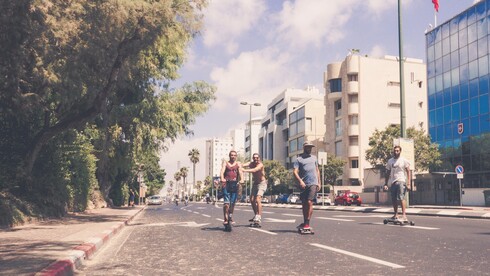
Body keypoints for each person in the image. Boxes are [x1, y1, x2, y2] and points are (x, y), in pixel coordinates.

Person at [293, 141, 321, 231]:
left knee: (309, 202)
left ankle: (307, 223)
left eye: (310, 147)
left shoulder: (314, 158)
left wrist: (319, 182)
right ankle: (305, 222)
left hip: (313, 183)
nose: (309, 149)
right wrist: (300, 181)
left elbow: (317, 170)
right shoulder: (299, 159)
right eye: (308, 147)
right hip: (304, 184)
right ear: (304, 148)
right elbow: (295, 172)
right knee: (304, 204)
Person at [384, 145, 411, 221]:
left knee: (401, 198)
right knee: (394, 199)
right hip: (393, 182)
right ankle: (396, 214)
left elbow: (408, 171)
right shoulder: (390, 161)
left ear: (400, 151)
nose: (396, 152)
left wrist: (408, 183)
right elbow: (387, 172)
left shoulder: (403, 160)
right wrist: (385, 183)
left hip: (401, 181)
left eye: (397, 151)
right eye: (395, 150)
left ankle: (404, 215)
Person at [220, 150, 244, 225]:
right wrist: (222, 178)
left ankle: (230, 216)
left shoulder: (238, 164)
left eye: (234, 155)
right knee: (226, 203)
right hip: (226, 184)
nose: (233, 156)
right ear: (229, 156)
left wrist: (242, 179)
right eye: (231, 155)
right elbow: (222, 171)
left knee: (233, 203)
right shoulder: (225, 163)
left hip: (234, 185)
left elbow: (240, 172)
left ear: (236, 156)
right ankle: (225, 218)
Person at [243, 153, 267, 224]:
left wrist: (244, 170)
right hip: (255, 184)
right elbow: (244, 164)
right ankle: (256, 214)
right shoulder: (251, 163)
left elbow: (254, 170)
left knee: (258, 199)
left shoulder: (260, 165)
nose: (255, 159)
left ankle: (259, 216)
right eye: (254, 158)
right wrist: (238, 165)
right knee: (252, 199)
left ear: (259, 158)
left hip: (262, 183)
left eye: (257, 158)